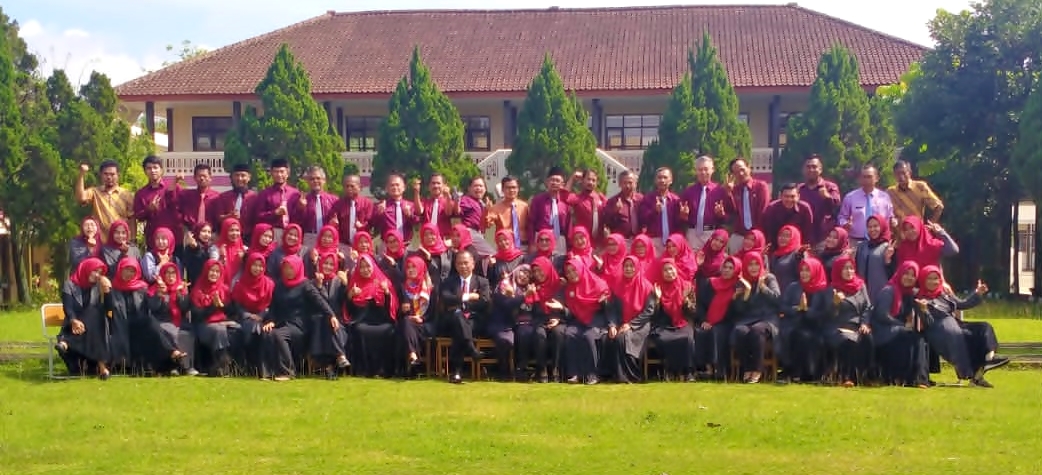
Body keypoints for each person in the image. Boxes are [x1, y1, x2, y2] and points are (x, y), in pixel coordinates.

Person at [913, 267, 1003, 387]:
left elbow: (962, 304)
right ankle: (976, 376)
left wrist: (977, 293)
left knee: (984, 328)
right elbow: (929, 323)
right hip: (940, 332)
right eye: (929, 278)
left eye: (936, 278)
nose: (933, 282)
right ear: (923, 280)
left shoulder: (944, 295)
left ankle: (989, 359)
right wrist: (925, 311)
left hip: (956, 325)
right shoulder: (920, 299)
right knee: (963, 336)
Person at [260, 255, 335, 380]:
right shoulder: (279, 285)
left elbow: (320, 301)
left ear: (297, 268)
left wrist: (331, 315)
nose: (288, 271)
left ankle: (288, 372)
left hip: (299, 326)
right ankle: (269, 372)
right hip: (281, 322)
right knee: (267, 333)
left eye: (291, 268)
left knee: (278, 335)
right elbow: (273, 306)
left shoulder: (305, 284)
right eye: (286, 268)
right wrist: (271, 320)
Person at [553, 256, 614, 385]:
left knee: (589, 336)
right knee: (570, 333)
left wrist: (605, 305)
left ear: (581, 269)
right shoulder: (570, 288)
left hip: (597, 319)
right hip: (579, 320)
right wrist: (562, 309)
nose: (571, 274)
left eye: (574, 270)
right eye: (568, 272)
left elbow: (610, 308)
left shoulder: (598, 284)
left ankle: (593, 374)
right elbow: (572, 313)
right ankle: (575, 373)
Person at [871, 261, 929, 387]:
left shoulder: (911, 294)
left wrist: (924, 310)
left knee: (919, 338)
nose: (909, 277)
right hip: (883, 331)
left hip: (898, 330)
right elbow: (881, 315)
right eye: (906, 273)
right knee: (911, 336)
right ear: (900, 273)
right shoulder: (888, 290)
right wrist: (901, 325)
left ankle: (919, 378)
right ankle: (916, 379)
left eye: (913, 275)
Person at [440, 250, 491, 384]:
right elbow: (446, 298)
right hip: (451, 320)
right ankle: (471, 349)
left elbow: (485, 301)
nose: (463, 266)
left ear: (473, 264)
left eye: (466, 263)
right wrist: (467, 297)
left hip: (474, 320)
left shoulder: (482, 282)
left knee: (460, 328)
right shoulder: (449, 282)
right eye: (459, 263)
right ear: (455, 266)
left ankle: (457, 372)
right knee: (458, 317)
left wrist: (461, 303)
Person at [604, 256, 658, 383]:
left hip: (640, 324)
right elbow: (612, 309)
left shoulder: (646, 286)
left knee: (624, 337)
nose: (628, 269)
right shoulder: (618, 285)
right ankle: (617, 375)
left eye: (631, 266)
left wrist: (631, 324)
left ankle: (633, 375)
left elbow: (649, 311)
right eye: (626, 266)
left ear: (637, 267)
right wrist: (612, 325)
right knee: (612, 337)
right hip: (621, 322)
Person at [730, 253, 782, 384]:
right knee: (740, 331)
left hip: (767, 318)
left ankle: (757, 369)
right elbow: (738, 310)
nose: (753, 268)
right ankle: (747, 368)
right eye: (750, 265)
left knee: (757, 330)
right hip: (747, 319)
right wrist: (745, 295)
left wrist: (763, 288)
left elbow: (777, 299)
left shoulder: (769, 278)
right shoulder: (741, 282)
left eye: (756, 264)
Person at [56, 258, 113, 379]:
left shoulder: (98, 287)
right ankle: (102, 367)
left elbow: (109, 310)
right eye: (94, 271)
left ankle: (66, 342)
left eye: (99, 273)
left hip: (91, 330)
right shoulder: (70, 285)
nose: (97, 275)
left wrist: (107, 292)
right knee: (93, 316)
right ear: (86, 269)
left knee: (94, 313)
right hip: (73, 326)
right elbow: (68, 307)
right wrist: (74, 320)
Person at [822, 256, 874, 387]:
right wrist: (835, 304)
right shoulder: (832, 288)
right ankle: (847, 377)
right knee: (847, 340)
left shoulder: (860, 286)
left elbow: (867, 307)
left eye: (851, 268)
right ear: (838, 270)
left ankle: (865, 376)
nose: (849, 271)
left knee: (868, 337)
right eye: (845, 268)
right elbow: (827, 315)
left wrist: (864, 323)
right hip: (837, 327)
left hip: (857, 325)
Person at [345, 255, 398, 378]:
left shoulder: (383, 282)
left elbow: (391, 307)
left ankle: (384, 370)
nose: (365, 270)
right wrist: (350, 296)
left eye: (368, 266)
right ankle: (364, 370)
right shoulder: (355, 284)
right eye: (362, 267)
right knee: (359, 330)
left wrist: (386, 293)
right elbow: (349, 310)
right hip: (362, 320)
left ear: (373, 266)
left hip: (381, 320)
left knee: (389, 330)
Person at [780, 257, 830, 383]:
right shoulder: (793, 287)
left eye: (807, 270)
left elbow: (824, 313)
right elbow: (783, 307)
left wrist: (807, 309)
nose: (804, 273)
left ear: (815, 271)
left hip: (816, 325)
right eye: (802, 270)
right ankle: (796, 373)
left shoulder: (823, 290)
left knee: (811, 338)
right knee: (798, 335)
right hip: (794, 324)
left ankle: (811, 375)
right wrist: (798, 308)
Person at [649, 258, 697, 382]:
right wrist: (658, 299)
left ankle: (688, 372)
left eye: (671, 269)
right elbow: (653, 315)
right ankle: (670, 370)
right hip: (663, 324)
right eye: (665, 270)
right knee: (664, 339)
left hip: (682, 322)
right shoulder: (657, 288)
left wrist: (685, 300)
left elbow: (693, 312)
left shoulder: (687, 286)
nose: (669, 272)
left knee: (688, 339)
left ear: (676, 269)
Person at [695, 255, 743, 380]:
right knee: (701, 332)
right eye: (725, 267)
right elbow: (700, 304)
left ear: (736, 270)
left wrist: (734, 299)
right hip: (708, 320)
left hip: (728, 321)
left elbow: (738, 311)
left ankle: (720, 369)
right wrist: (704, 320)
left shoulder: (738, 287)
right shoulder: (710, 283)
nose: (727, 270)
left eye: (731, 268)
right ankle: (707, 369)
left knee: (717, 332)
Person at [189, 260, 237, 377]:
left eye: (217, 271)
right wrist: (212, 306)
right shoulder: (197, 290)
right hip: (203, 325)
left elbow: (232, 311)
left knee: (237, 329)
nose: (214, 274)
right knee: (219, 330)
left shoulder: (224, 289)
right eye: (212, 270)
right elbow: (197, 316)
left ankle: (237, 367)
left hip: (222, 322)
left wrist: (222, 306)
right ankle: (223, 364)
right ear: (206, 271)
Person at [148, 261, 197, 376]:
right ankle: (173, 366)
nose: (171, 276)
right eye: (168, 273)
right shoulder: (155, 289)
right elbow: (153, 308)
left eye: (173, 273)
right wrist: (160, 294)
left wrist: (180, 295)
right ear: (163, 275)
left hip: (179, 322)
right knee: (171, 331)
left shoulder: (181, 288)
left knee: (187, 333)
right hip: (162, 321)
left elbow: (185, 308)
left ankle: (187, 366)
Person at [228, 253, 274, 374]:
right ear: (248, 265)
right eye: (254, 265)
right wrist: (249, 315)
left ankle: (262, 368)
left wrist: (262, 316)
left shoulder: (269, 284)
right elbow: (237, 307)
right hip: (245, 319)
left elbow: (272, 305)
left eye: (260, 266)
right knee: (252, 327)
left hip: (265, 318)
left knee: (264, 330)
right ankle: (251, 366)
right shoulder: (240, 284)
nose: (257, 268)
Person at [309, 253, 351, 380]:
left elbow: (345, 303)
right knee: (325, 323)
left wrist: (345, 285)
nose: (328, 266)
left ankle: (329, 366)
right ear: (320, 264)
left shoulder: (338, 281)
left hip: (337, 320)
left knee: (332, 325)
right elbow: (320, 303)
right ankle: (340, 356)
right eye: (325, 263)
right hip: (318, 319)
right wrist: (319, 286)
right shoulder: (313, 282)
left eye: (331, 264)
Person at [75, 160, 134, 240]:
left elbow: (132, 219)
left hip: (120, 241)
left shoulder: (126, 194)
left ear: (118, 175)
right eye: (105, 174)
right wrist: (81, 175)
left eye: (112, 174)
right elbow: (81, 197)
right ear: (101, 175)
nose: (109, 177)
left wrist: (132, 239)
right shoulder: (95, 192)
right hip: (100, 241)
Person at [679, 156, 729, 250]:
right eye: (700, 170)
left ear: (712, 170)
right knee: (692, 258)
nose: (703, 172)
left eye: (706, 169)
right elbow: (681, 217)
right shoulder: (689, 191)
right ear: (696, 171)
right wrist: (683, 215)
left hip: (712, 233)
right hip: (693, 233)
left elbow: (729, 216)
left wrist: (721, 214)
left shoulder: (720, 191)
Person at [838, 165, 894, 245]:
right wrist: (845, 223)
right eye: (864, 177)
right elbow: (841, 217)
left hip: (880, 241)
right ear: (860, 179)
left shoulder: (884, 197)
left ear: (877, 178)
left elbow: (889, 217)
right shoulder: (850, 197)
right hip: (856, 241)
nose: (866, 180)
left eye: (869, 177)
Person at [531, 256, 566, 382]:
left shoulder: (560, 285)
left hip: (559, 320)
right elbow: (531, 311)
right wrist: (531, 295)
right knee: (539, 333)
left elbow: (569, 308)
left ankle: (555, 369)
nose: (537, 274)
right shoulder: (533, 287)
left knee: (558, 333)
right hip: (540, 320)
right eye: (535, 271)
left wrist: (558, 320)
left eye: (540, 270)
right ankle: (542, 369)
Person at [133, 155, 181, 249]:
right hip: (154, 240)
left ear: (161, 170)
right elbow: (138, 216)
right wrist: (149, 209)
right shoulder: (141, 193)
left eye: (155, 167)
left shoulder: (173, 187)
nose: (152, 171)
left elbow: (181, 207)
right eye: (149, 168)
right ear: (145, 171)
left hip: (174, 237)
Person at [724, 158, 770, 253]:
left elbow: (763, 211)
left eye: (742, 169)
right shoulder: (734, 190)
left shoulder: (761, 187)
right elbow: (732, 213)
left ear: (749, 168)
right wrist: (728, 193)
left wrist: (756, 235)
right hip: (739, 235)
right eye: (736, 172)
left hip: (757, 236)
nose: (740, 174)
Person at [398, 255, 435, 372]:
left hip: (425, 324)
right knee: (406, 322)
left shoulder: (429, 287)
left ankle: (412, 358)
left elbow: (434, 311)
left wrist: (422, 318)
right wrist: (402, 310)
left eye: (414, 267)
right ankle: (413, 355)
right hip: (408, 324)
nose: (410, 270)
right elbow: (396, 311)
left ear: (420, 268)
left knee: (407, 325)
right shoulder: (402, 288)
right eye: (408, 267)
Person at [797, 155, 842, 249]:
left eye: (814, 167)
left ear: (820, 170)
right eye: (808, 167)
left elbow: (837, 208)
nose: (811, 169)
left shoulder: (830, 187)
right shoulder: (799, 189)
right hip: (803, 238)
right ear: (803, 170)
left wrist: (827, 197)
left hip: (824, 239)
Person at [527, 167, 574, 254]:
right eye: (552, 180)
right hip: (542, 239)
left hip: (559, 240)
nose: (554, 183)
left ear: (562, 184)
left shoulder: (566, 202)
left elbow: (569, 227)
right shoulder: (537, 200)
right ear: (547, 182)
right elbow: (531, 223)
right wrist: (531, 243)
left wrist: (570, 247)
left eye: (557, 181)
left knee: (559, 261)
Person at [252, 159, 300, 242]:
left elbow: (299, 218)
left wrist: (302, 208)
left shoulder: (295, 193)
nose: (279, 175)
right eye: (276, 172)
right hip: (272, 232)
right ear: (271, 173)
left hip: (291, 233)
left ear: (288, 173)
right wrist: (275, 213)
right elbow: (258, 217)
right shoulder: (264, 194)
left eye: (282, 171)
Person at [292, 165, 338, 247]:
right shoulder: (302, 199)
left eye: (318, 178)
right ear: (307, 181)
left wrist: (335, 224)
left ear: (324, 180)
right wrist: (300, 208)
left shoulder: (334, 200)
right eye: (312, 179)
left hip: (328, 239)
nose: (315, 181)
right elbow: (295, 223)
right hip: (309, 238)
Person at [638, 167, 682, 251]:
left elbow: (678, 224)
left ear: (671, 180)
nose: (662, 180)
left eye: (665, 177)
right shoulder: (648, 199)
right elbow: (642, 219)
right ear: (655, 180)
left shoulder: (676, 200)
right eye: (659, 177)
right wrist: (654, 211)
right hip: (654, 240)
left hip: (672, 241)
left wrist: (683, 216)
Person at [759, 183, 814, 249]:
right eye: (786, 196)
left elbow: (808, 232)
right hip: (776, 247)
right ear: (780, 196)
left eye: (792, 196)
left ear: (798, 196)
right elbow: (768, 232)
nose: (789, 199)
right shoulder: (772, 208)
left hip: (797, 247)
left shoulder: (805, 208)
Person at [178, 163, 220, 249]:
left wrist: (215, 236)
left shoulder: (217, 197)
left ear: (210, 178)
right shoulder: (187, 195)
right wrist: (186, 233)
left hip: (210, 237)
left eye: (205, 176)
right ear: (194, 178)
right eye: (199, 176)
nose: (202, 178)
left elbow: (219, 220)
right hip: (191, 236)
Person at [210, 163, 257, 239]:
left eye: (243, 175)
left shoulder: (255, 197)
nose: (239, 178)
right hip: (228, 237)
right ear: (231, 177)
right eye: (237, 175)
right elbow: (218, 218)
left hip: (249, 237)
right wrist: (229, 216)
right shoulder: (223, 197)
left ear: (249, 177)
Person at [854, 215, 896, 300]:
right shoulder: (862, 246)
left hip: (881, 295)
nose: (872, 229)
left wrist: (888, 260)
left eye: (876, 226)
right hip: (861, 294)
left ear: (882, 226)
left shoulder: (888, 247)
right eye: (869, 227)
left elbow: (893, 274)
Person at [895, 216, 959, 269]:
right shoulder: (903, 248)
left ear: (919, 227)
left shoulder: (933, 244)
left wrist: (941, 232)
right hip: (911, 280)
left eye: (912, 227)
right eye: (906, 229)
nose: (910, 231)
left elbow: (953, 250)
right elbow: (900, 271)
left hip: (931, 280)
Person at [372, 174, 421, 243]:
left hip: (406, 244)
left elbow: (417, 223)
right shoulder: (382, 206)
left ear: (404, 187)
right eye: (392, 185)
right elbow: (374, 225)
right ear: (386, 188)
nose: (395, 187)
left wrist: (409, 215)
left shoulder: (411, 205)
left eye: (397, 185)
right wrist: (379, 214)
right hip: (388, 245)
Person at [486, 176, 529, 250]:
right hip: (505, 246)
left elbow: (530, 226)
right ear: (502, 189)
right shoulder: (495, 208)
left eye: (514, 187)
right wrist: (486, 211)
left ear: (518, 189)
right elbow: (487, 226)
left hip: (524, 245)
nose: (511, 190)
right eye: (508, 188)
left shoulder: (525, 206)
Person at [330, 174, 374, 246]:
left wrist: (362, 226)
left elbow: (371, 223)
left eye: (352, 186)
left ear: (360, 187)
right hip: (343, 244)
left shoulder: (367, 204)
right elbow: (333, 223)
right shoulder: (338, 204)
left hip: (362, 244)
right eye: (346, 186)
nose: (349, 189)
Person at [566, 169, 608, 245]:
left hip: (599, 244)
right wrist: (572, 178)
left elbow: (609, 213)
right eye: (588, 179)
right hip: (582, 242)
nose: (590, 182)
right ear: (582, 180)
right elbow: (564, 196)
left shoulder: (601, 197)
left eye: (593, 180)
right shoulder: (577, 198)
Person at [456, 176, 495, 257]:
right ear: (469, 188)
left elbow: (484, 225)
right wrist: (456, 201)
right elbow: (458, 212)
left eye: (481, 186)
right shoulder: (466, 199)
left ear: (485, 189)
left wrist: (488, 210)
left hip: (479, 234)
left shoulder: (482, 204)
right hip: (470, 232)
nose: (478, 188)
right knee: (491, 254)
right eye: (475, 186)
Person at [603, 170, 644, 240]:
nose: (627, 186)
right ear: (619, 184)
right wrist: (614, 210)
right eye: (624, 183)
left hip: (638, 241)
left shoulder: (641, 199)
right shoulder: (613, 201)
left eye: (630, 182)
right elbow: (606, 222)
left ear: (635, 183)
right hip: (620, 240)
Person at [415, 174, 456, 238]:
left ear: (444, 185)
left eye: (438, 183)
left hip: (443, 238)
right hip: (427, 239)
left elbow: (448, 212)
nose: (436, 186)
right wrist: (416, 192)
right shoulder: (425, 202)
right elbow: (419, 211)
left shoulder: (448, 201)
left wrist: (448, 195)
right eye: (433, 183)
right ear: (429, 186)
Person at [768, 224, 805, 291]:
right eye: (781, 235)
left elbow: (804, 273)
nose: (782, 238)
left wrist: (801, 257)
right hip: (776, 294)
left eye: (787, 236)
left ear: (794, 238)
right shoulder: (775, 255)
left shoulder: (798, 253)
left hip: (793, 294)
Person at [216, 217, 247, 286]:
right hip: (220, 287)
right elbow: (212, 270)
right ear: (225, 231)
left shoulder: (245, 250)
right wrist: (221, 258)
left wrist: (244, 259)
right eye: (231, 230)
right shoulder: (216, 249)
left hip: (239, 288)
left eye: (237, 230)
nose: (235, 233)